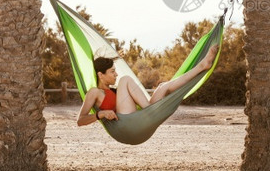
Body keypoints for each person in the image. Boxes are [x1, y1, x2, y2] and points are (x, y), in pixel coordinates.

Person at [77, 44, 219, 126]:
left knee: (163, 86)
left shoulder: (116, 91)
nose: (116, 74)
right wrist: (100, 114)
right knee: (125, 79)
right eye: (112, 72)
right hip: (126, 123)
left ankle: (202, 66)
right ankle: (150, 109)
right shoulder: (94, 93)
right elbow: (80, 121)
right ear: (101, 75)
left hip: (135, 116)